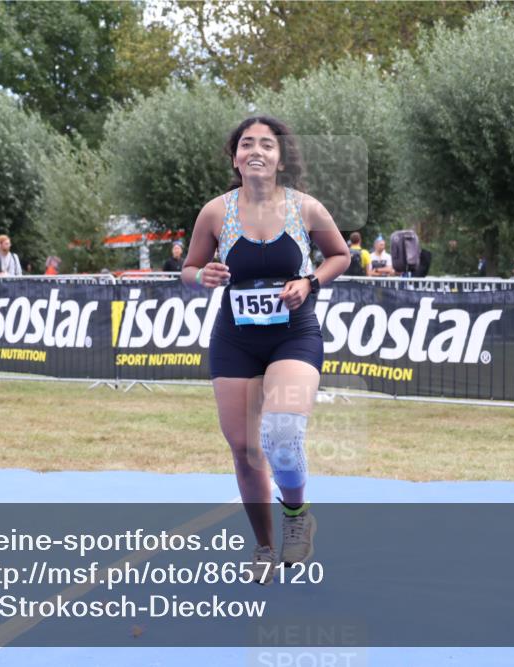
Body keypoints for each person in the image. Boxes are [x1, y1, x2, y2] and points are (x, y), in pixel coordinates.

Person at [181, 116, 349, 582]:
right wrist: (203, 276)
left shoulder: (305, 208)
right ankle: (263, 546)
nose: (256, 150)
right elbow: (189, 270)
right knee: (244, 449)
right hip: (235, 339)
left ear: (281, 158)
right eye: (247, 144)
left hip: (293, 334)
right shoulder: (215, 213)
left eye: (267, 145)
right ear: (235, 158)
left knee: (282, 434)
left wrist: (310, 281)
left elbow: (341, 255)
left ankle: (297, 515)